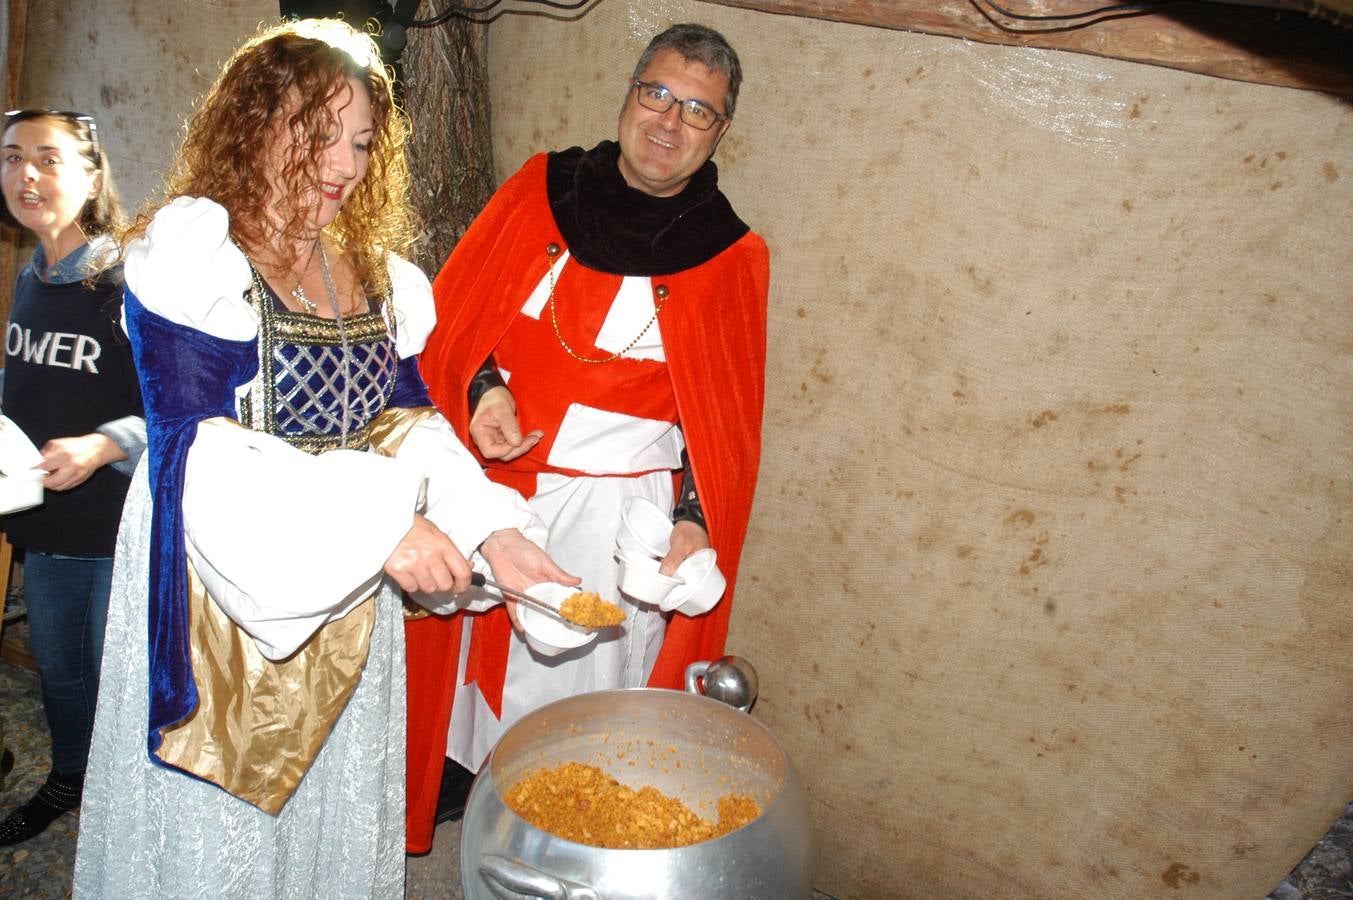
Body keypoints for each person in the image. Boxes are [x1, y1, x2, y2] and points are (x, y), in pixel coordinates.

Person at [71, 19, 571, 896]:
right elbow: (197, 449)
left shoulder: (375, 276)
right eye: (317, 134)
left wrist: (493, 531)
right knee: (220, 843)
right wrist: (383, 522)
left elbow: (404, 421)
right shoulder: (192, 257)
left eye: (361, 141)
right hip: (217, 584)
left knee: (326, 820)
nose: (343, 164)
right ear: (255, 124)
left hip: (342, 588)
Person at [407, 22, 770, 852]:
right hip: (493, 493)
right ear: (629, 91)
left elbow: (720, 425)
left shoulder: (731, 257)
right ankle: (456, 780)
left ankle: (554, 831)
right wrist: (483, 391)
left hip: (615, 513)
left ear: (720, 133)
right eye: (657, 93)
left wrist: (691, 518)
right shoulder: (542, 188)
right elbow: (458, 327)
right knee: (466, 660)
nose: (668, 122)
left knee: (575, 686)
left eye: (698, 112)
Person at [0, 108, 145, 845]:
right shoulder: (33, 276)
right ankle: (73, 775)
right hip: (38, 516)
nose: (27, 175)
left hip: (105, 527)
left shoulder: (125, 281)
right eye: (13, 157)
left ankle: (103, 796)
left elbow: (183, 412)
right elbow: (30, 379)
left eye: (49, 158)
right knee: (61, 670)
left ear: (91, 176)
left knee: (99, 677)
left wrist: (99, 446)